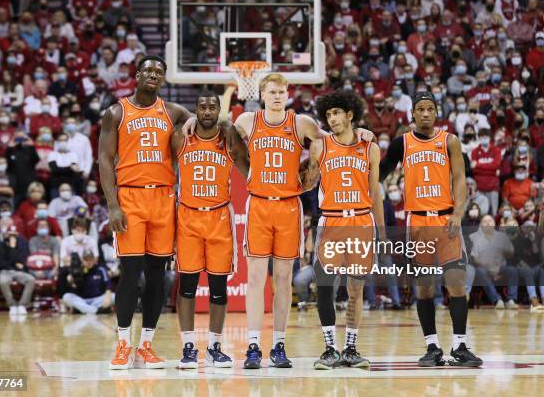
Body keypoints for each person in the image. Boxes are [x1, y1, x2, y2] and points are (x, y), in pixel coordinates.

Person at [219, 73, 372, 369]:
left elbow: (336, 141)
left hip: (289, 205)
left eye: (282, 91)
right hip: (259, 204)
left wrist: (362, 134)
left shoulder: (301, 123)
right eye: (273, 91)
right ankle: (253, 346)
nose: (278, 96)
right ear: (262, 93)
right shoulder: (248, 121)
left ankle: (278, 345)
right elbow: (224, 134)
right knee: (254, 278)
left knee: (284, 278)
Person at [99, 55, 195, 370]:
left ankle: (147, 345)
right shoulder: (116, 112)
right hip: (130, 199)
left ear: (163, 79)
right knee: (130, 274)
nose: (153, 74)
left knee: (158, 275)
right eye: (148, 70)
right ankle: (123, 343)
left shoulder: (175, 112)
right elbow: (104, 160)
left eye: (159, 71)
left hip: (164, 199)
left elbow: (205, 124)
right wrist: (113, 204)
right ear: (137, 74)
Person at [379, 91, 482, 367]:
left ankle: (460, 346)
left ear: (436, 112)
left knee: (456, 284)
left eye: (430, 109)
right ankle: (432, 347)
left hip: (446, 219)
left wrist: (459, 212)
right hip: (417, 222)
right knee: (424, 289)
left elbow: (460, 179)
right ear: (412, 113)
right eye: (420, 109)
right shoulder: (402, 143)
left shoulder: (450, 141)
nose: (425, 113)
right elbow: (378, 174)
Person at [303, 89, 384, 369]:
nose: (332, 119)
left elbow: (375, 193)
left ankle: (350, 348)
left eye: (336, 112)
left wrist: (383, 235)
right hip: (331, 221)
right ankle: (329, 349)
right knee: (324, 287)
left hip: (361, 220)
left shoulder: (369, 147)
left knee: (355, 290)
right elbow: (308, 184)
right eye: (328, 114)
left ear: (350, 114)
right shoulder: (320, 147)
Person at [171, 90, 248, 369]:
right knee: (188, 287)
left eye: (211, 107)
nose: (206, 112)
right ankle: (188, 346)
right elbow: (168, 111)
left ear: (219, 111)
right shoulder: (181, 138)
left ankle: (215, 347)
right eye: (201, 107)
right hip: (189, 218)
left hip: (219, 219)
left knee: (218, 288)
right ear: (195, 110)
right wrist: (188, 118)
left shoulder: (228, 140)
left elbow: (249, 171)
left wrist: (230, 126)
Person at [0, 218, 34, 316]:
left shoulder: (22, 240)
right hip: (3, 271)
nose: (7, 227)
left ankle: (23, 304)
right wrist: (13, 258)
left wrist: (13, 247)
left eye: (9, 225)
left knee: (31, 279)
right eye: (4, 224)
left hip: (19, 271)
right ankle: (12, 305)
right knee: (3, 281)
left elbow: (22, 259)